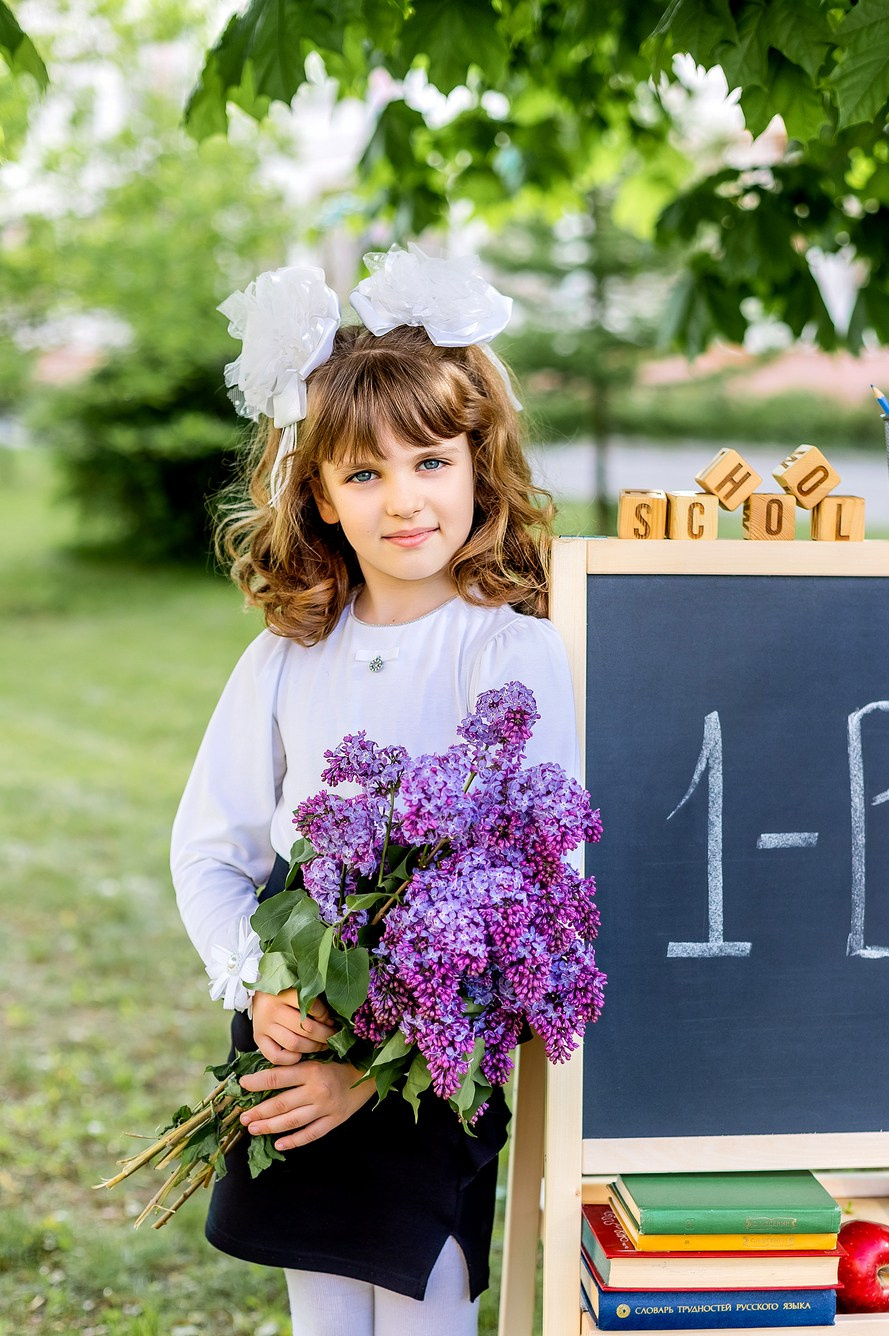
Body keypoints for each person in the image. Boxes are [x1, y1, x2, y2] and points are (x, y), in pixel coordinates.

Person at [170, 246, 579, 1336]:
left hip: (434, 1060)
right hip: (299, 1027)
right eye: (364, 475)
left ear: (479, 464)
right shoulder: (286, 658)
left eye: (430, 461)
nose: (404, 499)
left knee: (419, 1300)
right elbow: (212, 848)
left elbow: (546, 882)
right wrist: (260, 984)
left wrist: (370, 1071)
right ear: (316, 494)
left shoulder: (509, 653)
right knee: (324, 1305)